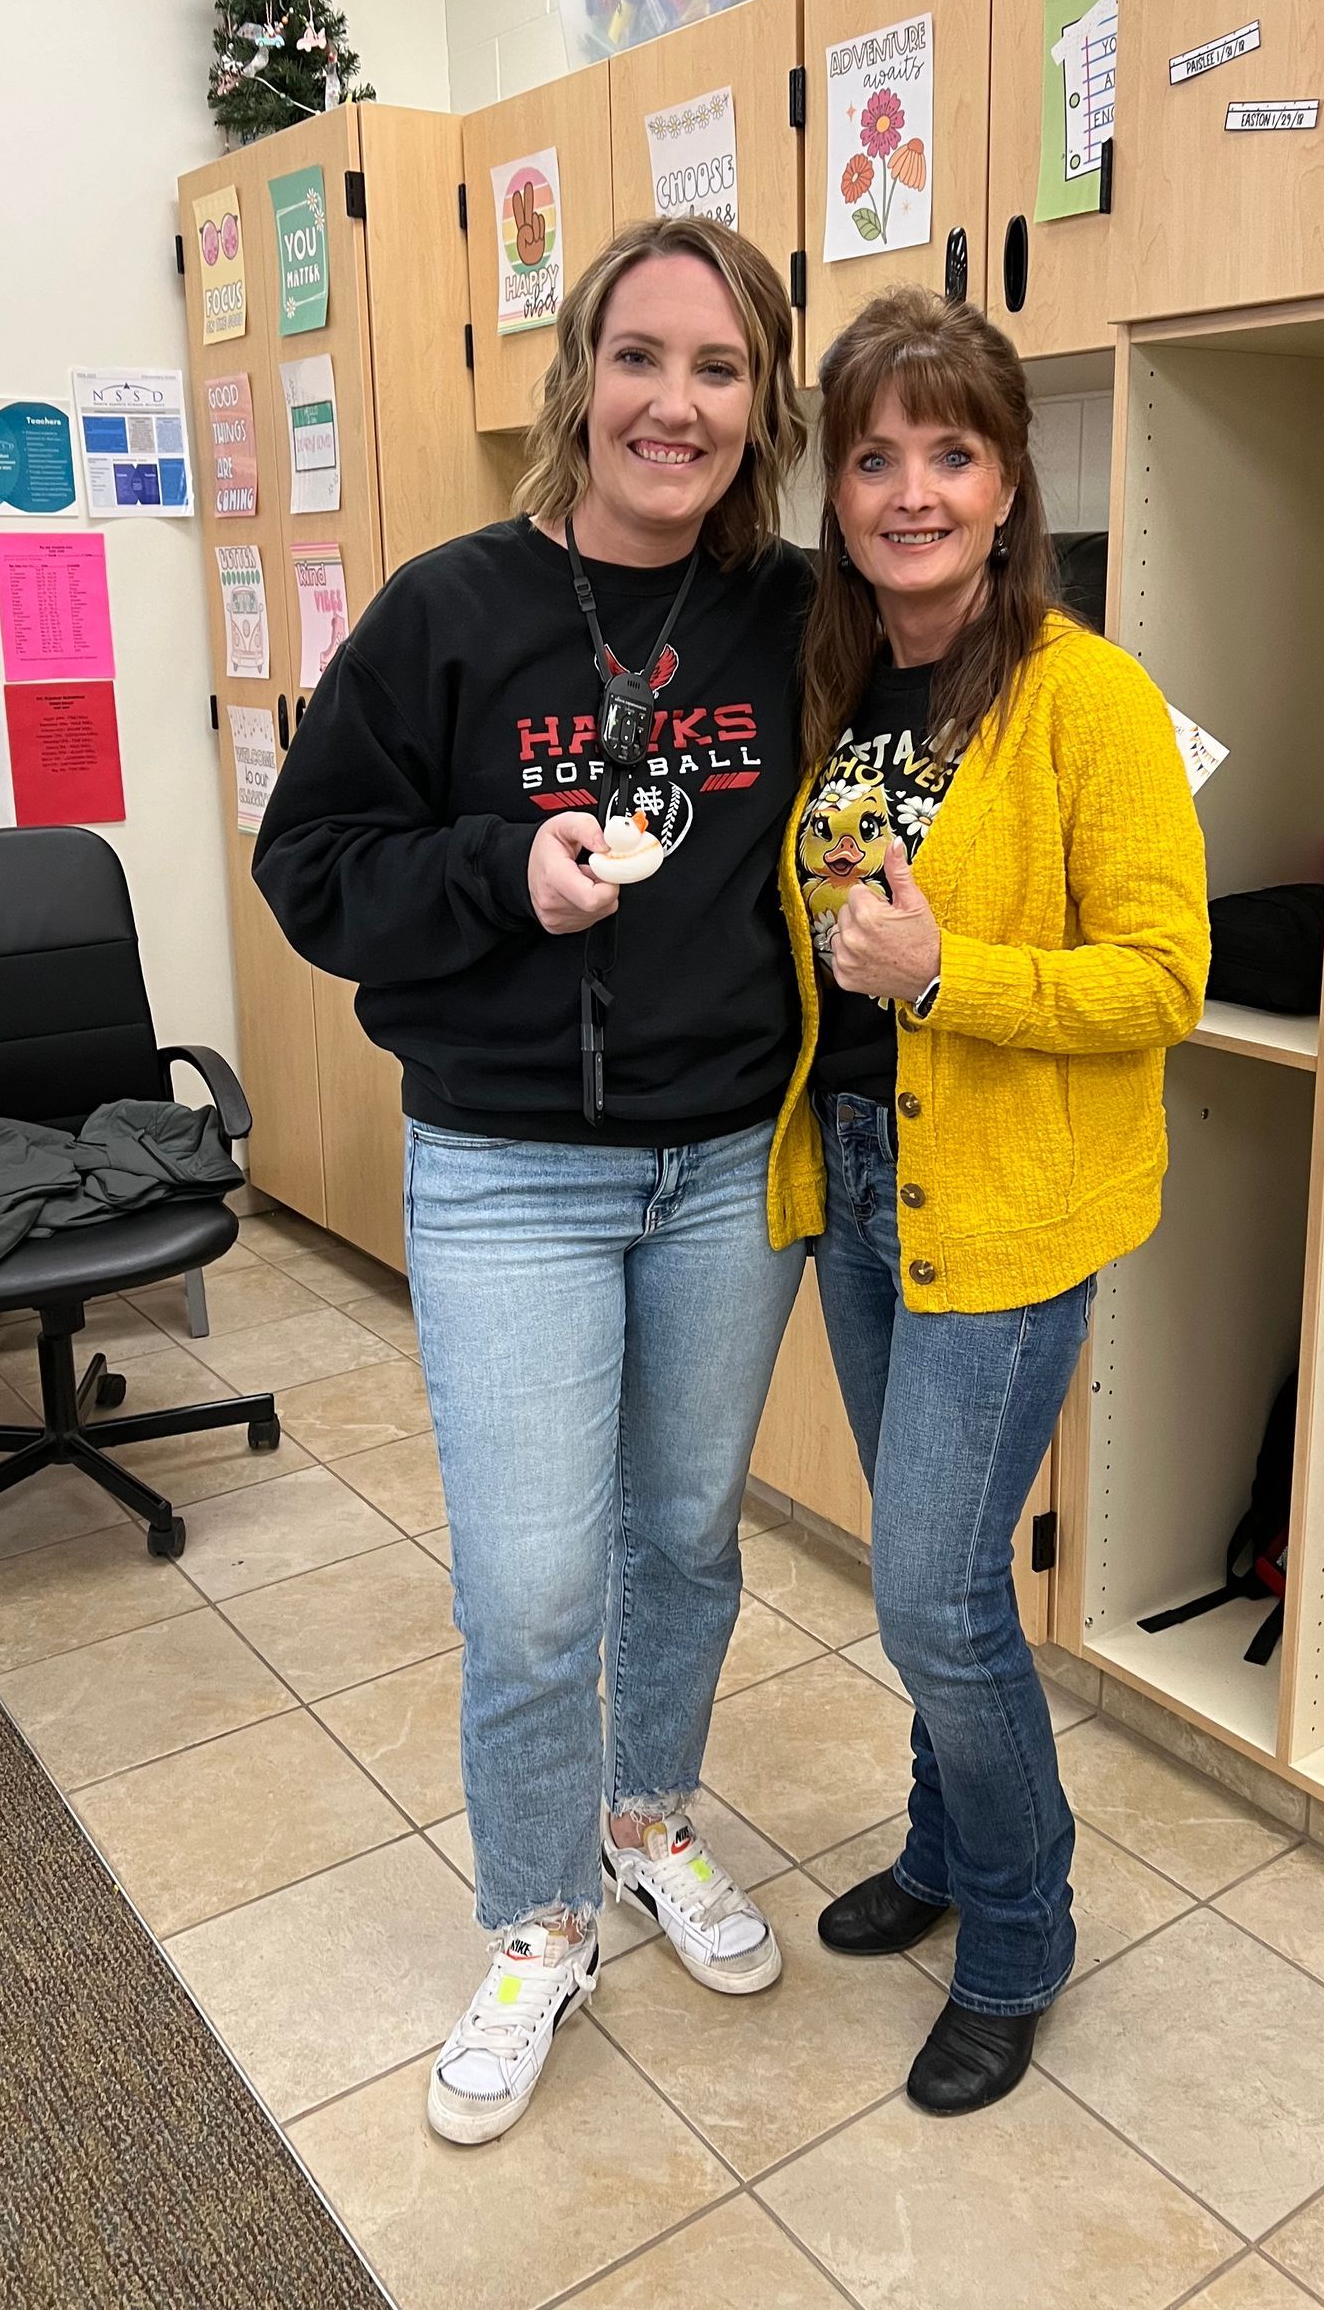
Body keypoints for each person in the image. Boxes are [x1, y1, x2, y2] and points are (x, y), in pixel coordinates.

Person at [254, 217, 812, 2146]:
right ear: (583, 373)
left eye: (723, 371)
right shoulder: (448, 609)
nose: (679, 403)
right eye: (646, 358)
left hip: (732, 1160)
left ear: (764, 405)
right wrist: (508, 869)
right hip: (507, 1174)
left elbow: (957, 716)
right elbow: (309, 864)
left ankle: (648, 1822)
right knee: (530, 1587)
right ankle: (538, 1916)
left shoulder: (786, 615)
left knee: (685, 1538)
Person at [768, 288, 1208, 2116]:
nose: (911, 490)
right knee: (924, 1574)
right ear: (837, 489)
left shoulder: (1085, 695)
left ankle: (1022, 1931)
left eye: (952, 451)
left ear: (1012, 478)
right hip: (867, 1187)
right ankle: (948, 1848)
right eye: (874, 455)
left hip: (1012, 1204)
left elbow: (1161, 980)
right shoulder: (832, 674)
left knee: (940, 1600)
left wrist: (950, 980)